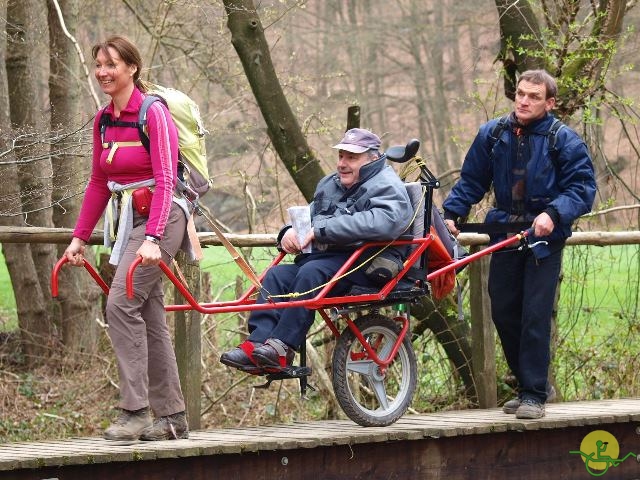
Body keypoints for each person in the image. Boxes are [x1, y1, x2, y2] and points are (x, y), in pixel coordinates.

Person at [442, 70, 596, 419]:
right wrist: (452, 213)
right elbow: (472, 180)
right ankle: (528, 385)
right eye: (521, 94)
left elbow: (582, 189)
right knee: (504, 311)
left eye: (534, 96)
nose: (524, 101)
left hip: (544, 238)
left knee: (534, 316)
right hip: (505, 233)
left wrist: (554, 214)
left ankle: (533, 394)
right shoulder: (493, 134)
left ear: (550, 103)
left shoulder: (564, 140)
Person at [63, 35, 192, 441]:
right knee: (148, 314)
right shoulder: (103, 120)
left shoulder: (153, 113)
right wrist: (79, 238)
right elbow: (99, 182)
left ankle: (135, 411)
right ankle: (172, 418)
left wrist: (154, 237)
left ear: (132, 68)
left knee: (121, 304)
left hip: (163, 216)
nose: (103, 71)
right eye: (99, 64)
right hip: (128, 221)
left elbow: (168, 179)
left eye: (112, 64)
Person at [220, 128, 414, 374]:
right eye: (341, 156)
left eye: (351, 158)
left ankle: (282, 348)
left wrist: (322, 230)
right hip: (329, 260)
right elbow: (309, 220)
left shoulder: (387, 184)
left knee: (311, 271)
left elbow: (385, 221)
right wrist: (288, 233)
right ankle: (258, 344)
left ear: (372, 159)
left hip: (366, 262)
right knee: (277, 276)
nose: (342, 164)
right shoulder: (329, 184)